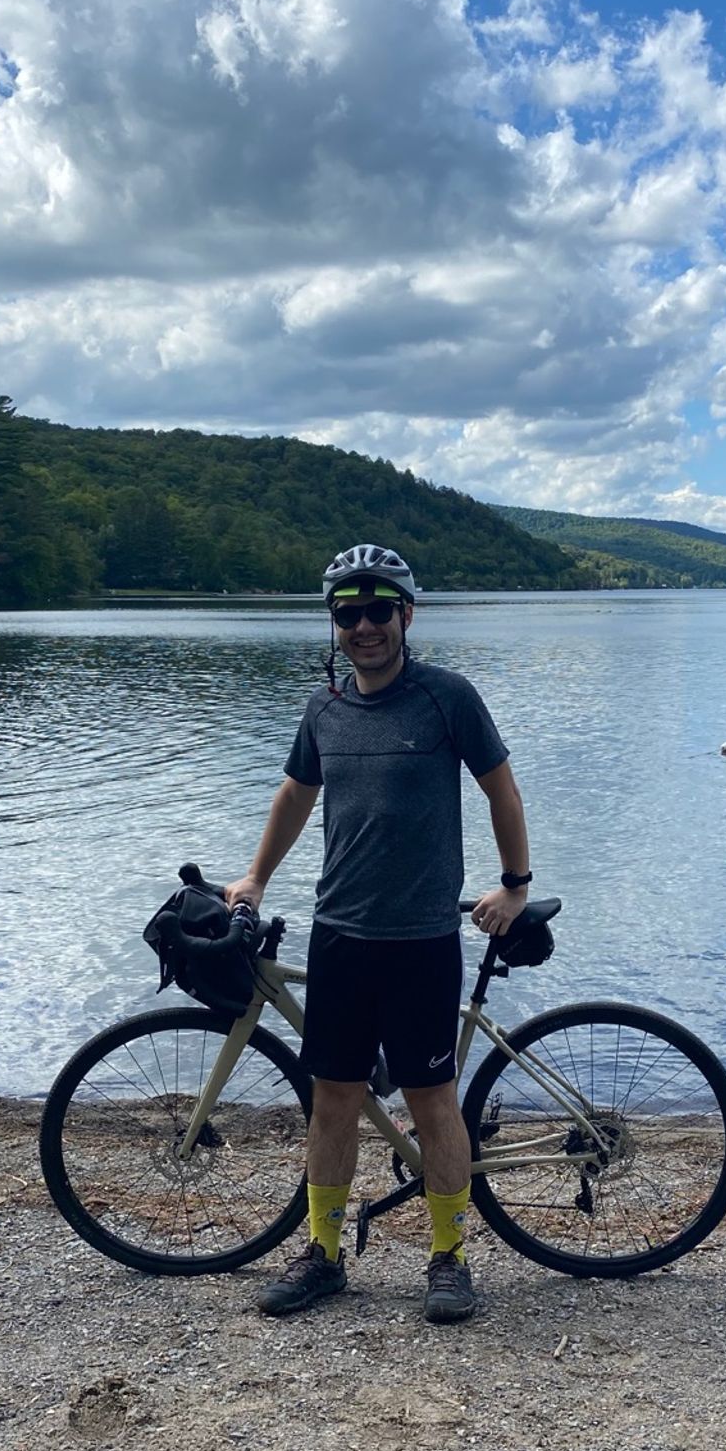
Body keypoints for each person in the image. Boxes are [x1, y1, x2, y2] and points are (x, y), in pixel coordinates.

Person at [225, 543, 531, 1325]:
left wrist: (514, 883)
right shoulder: (323, 708)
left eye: (379, 611)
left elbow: (501, 788)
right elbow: (295, 795)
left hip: (422, 938)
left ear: (407, 615)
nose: (364, 626)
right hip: (340, 935)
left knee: (432, 1101)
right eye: (348, 613)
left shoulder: (446, 698)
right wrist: (255, 878)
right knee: (334, 1099)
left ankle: (449, 1257)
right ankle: (324, 1254)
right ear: (334, 623)